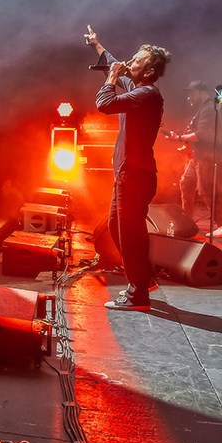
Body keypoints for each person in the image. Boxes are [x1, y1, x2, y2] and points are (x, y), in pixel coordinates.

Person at [85, 25, 171, 311]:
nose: (128, 62)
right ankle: (144, 278)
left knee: (131, 234)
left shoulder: (146, 95)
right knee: (115, 226)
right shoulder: (140, 89)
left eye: (136, 60)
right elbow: (114, 62)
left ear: (148, 72)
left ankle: (138, 295)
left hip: (134, 175)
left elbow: (105, 104)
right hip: (129, 173)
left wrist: (111, 78)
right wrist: (97, 45)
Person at [164, 81, 222, 238]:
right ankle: (187, 221)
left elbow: (200, 135)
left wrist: (178, 138)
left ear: (201, 92)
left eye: (191, 94)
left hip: (207, 157)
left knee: (205, 190)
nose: (188, 98)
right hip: (197, 157)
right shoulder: (204, 109)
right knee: (186, 184)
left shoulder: (209, 110)